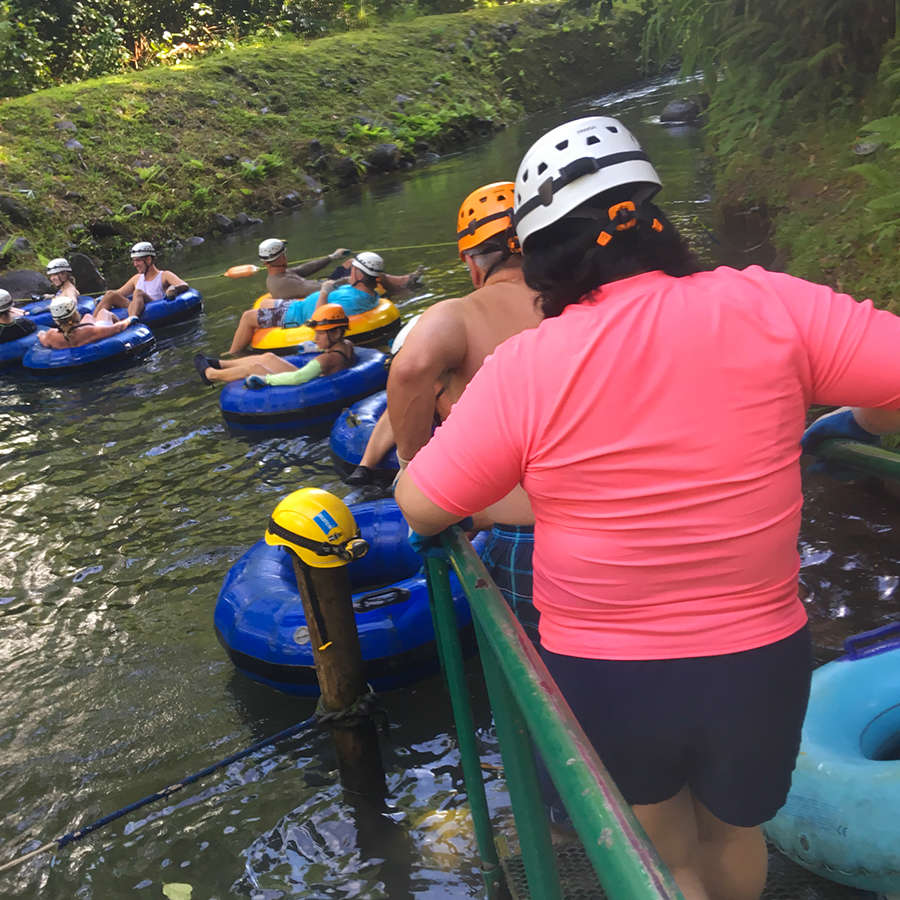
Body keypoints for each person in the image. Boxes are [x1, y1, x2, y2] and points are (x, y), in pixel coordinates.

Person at [394, 116, 900, 900]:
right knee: (736, 833)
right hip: (759, 651)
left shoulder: (528, 365)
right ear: (655, 219)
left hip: (607, 665)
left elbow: (422, 505)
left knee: (661, 858)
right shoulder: (769, 303)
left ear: (541, 256)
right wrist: (858, 423)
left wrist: (529, 499)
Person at [384, 181, 543, 639]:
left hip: (525, 531)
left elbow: (410, 369)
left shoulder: (460, 315)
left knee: (544, 673)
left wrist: (412, 463)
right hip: (614, 515)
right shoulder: (582, 302)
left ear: (472, 263)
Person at [225, 251, 405, 356]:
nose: (351, 272)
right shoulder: (367, 292)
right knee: (264, 303)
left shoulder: (350, 300)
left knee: (248, 317)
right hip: (298, 304)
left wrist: (325, 291)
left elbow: (319, 319)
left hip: (295, 315)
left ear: (358, 275)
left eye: (353, 270)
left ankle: (233, 354)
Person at [194, 304, 355, 386]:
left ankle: (211, 374)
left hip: (306, 386)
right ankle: (220, 363)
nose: (315, 337)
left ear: (335, 333)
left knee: (254, 368)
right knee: (269, 357)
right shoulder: (346, 344)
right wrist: (310, 348)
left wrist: (266, 379)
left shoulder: (326, 360)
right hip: (315, 381)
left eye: (320, 334)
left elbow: (298, 377)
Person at [257, 238, 423, 301]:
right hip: (328, 290)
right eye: (284, 253)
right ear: (280, 257)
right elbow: (320, 288)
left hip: (324, 283)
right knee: (361, 268)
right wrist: (346, 279)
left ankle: (401, 281)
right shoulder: (282, 283)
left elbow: (305, 268)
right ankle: (402, 286)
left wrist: (331, 257)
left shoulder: (282, 274)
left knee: (351, 262)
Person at [93, 241, 189, 319]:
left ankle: (131, 320)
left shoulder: (164, 275)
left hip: (153, 306)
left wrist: (174, 289)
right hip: (135, 306)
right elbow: (119, 293)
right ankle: (90, 324)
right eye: (134, 261)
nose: (135, 264)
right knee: (110, 294)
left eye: (138, 260)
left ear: (148, 260)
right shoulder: (136, 278)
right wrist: (102, 298)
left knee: (138, 292)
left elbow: (184, 285)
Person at [38, 295, 139, 349]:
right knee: (104, 312)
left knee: (88, 316)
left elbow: (41, 336)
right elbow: (118, 328)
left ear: (56, 319)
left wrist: (41, 333)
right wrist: (130, 319)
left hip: (71, 337)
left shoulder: (50, 336)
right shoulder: (89, 331)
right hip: (92, 334)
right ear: (74, 313)